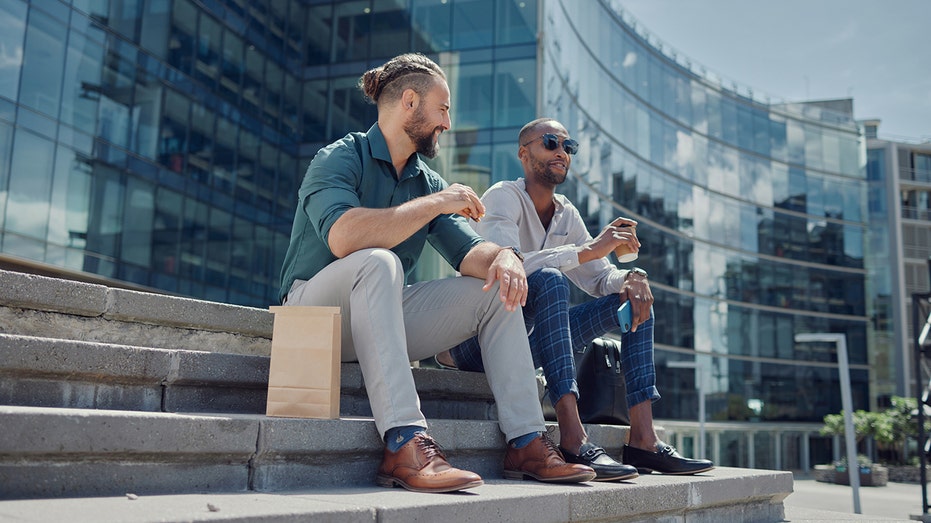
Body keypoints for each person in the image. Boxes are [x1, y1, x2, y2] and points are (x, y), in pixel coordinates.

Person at [278, 56, 595, 494]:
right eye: (442, 109)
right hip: (313, 316)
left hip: (380, 316)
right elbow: (344, 238)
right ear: (410, 102)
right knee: (379, 261)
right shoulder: (338, 158)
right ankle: (405, 442)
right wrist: (435, 203)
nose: (448, 122)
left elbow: (469, 250)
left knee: (495, 288)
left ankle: (527, 442)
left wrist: (502, 257)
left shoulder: (426, 180)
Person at [438, 117, 714, 480]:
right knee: (551, 280)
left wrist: (633, 277)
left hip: (528, 342)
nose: (562, 153)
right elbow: (507, 264)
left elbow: (599, 278)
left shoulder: (566, 212)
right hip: (473, 343)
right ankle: (572, 434)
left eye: (568, 147)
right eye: (550, 142)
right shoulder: (503, 196)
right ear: (524, 153)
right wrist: (586, 249)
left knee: (632, 300)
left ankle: (644, 441)